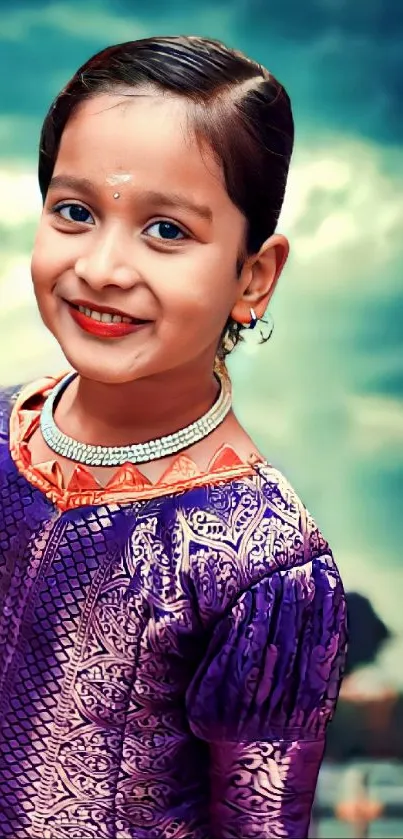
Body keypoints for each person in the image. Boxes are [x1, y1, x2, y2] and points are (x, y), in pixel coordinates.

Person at [0, 35, 347, 839]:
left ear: (253, 276)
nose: (105, 267)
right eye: (76, 212)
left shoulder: (268, 565)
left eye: (165, 230)